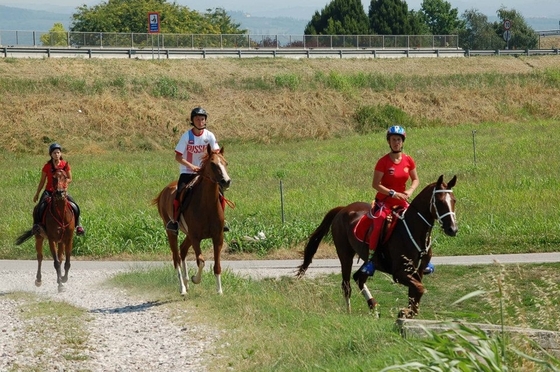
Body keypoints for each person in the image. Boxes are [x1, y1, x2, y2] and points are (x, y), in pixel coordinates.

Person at [360, 125, 420, 276]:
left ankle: (423, 256)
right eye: (393, 139)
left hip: (402, 201)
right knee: (379, 220)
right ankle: (371, 260)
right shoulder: (383, 162)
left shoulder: (408, 160)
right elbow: (376, 184)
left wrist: (410, 191)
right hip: (385, 201)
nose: (396, 142)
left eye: (398, 139)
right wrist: (392, 193)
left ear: (402, 141)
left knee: (418, 220)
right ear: (388, 141)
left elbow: (416, 180)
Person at [166, 106, 229, 234]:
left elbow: (216, 153)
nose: (200, 122)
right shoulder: (186, 136)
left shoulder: (209, 135)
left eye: (202, 119)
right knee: (180, 192)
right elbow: (178, 157)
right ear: (192, 121)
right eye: (197, 119)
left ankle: (222, 221)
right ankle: (175, 222)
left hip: (206, 173)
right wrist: (191, 166)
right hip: (188, 172)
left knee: (220, 193)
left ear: (205, 121)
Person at [33, 143, 85, 236]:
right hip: (49, 191)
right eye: (54, 153)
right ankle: (37, 226)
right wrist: (37, 193)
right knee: (40, 207)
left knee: (75, 206)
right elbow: (42, 181)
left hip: (62, 192)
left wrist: (62, 184)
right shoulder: (47, 166)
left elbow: (70, 178)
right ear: (51, 154)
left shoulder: (65, 165)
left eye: (58, 152)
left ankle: (78, 226)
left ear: (60, 154)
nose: (56, 154)